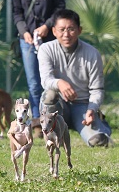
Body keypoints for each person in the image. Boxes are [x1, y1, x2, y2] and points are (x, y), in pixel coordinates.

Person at [11, 0, 65, 138]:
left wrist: (47, 26)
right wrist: (24, 31)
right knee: (33, 83)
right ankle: (36, 121)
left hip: (50, 39)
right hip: (28, 40)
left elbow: (60, 6)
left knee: (49, 81)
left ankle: (52, 119)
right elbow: (16, 12)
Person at [38, 9, 111, 147]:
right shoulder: (45, 49)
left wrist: (92, 109)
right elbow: (45, 80)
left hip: (83, 106)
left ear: (79, 30)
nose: (66, 34)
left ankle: (100, 125)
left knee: (99, 141)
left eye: (71, 29)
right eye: (62, 29)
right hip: (59, 105)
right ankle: (50, 137)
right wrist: (59, 83)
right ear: (54, 31)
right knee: (49, 94)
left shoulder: (92, 53)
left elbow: (97, 89)